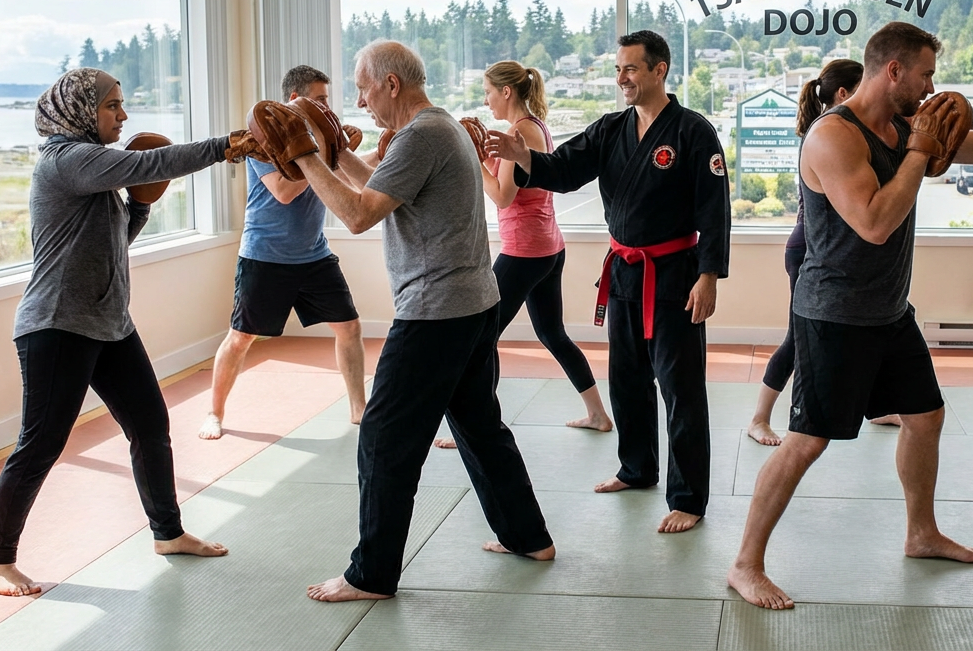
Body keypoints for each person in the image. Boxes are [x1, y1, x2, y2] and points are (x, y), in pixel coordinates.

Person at [726, 21, 973, 610]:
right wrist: (917, 151)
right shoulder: (834, 137)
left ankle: (920, 533)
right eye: (927, 74)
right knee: (807, 441)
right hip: (834, 315)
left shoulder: (907, 126)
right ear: (894, 71)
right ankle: (745, 564)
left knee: (926, 417)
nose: (932, 87)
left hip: (888, 311)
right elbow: (875, 221)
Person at [292, 41, 554, 603]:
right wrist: (334, 150)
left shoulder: (421, 135)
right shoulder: (441, 128)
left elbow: (359, 212)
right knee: (481, 427)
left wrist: (305, 155)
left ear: (391, 84)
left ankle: (371, 574)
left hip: (438, 312)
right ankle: (528, 536)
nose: (359, 100)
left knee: (384, 439)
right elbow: (378, 184)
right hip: (473, 303)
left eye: (363, 88)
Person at [0, 68, 248, 596]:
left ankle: (168, 533)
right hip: (57, 325)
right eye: (113, 106)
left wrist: (142, 204)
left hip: (107, 323)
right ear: (81, 110)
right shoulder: (66, 161)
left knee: (150, 424)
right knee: (41, 444)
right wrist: (228, 146)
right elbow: (148, 161)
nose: (124, 116)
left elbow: (114, 241)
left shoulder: (92, 173)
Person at [487, 30, 731, 534]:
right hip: (623, 271)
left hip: (675, 274)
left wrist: (708, 277)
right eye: (618, 69)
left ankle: (687, 496)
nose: (621, 78)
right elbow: (564, 170)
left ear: (659, 70)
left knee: (680, 387)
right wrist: (521, 154)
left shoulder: (693, 132)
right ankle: (637, 468)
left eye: (631, 69)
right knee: (627, 378)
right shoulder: (611, 129)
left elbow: (715, 211)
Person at [433, 61, 610, 451]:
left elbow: (502, 195)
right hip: (547, 245)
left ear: (507, 92)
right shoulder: (535, 126)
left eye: (488, 92)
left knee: (481, 336)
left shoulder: (520, 132)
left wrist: (474, 158)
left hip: (525, 251)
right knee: (552, 333)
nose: (485, 99)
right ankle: (597, 414)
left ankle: (477, 429)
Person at [199, 65, 366, 440]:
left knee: (350, 327)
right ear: (296, 100)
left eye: (327, 99)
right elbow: (285, 191)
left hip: (313, 255)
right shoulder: (264, 138)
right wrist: (325, 151)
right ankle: (214, 412)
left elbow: (342, 182)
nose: (327, 106)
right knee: (241, 337)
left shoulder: (320, 141)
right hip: (265, 256)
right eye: (320, 99)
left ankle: (359, 409)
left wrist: (354, 151)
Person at [747, 59, 903, 447]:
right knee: (797, 341)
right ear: (844, 95)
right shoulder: (831, 135)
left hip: (826, 250)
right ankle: (759, 418)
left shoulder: (856, 132)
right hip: (808, 251)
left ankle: (877, 405)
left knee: (877, 333)